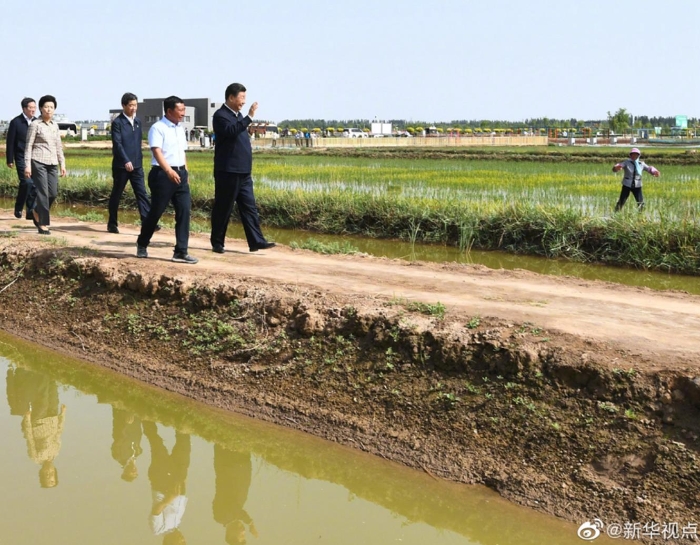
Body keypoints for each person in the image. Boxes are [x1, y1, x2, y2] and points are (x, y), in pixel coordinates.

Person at [210, 83, 275, 254]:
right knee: (224, 208)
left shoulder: (238, 116)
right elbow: (231, 131)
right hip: (228, 171)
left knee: (249, 207)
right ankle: (217, 242)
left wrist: (245, 118)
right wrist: (250, 117)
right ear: (231, 97)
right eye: (242, 98)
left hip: (244, 171)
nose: (244, 102)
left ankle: (256, 241)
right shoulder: (221, 116)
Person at [136, 96, 198, 264]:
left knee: (184, 212)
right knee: (156, 212)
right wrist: (169, 171)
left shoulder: (180, 129)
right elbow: (157, 152)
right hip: (162, 175)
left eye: (184, 110)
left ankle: (181, 251)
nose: (183, 114)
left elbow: (182, 152)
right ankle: (142, 243)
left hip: (180, 174)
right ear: (169, 111)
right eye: (180, 110)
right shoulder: (158, 128)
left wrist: (186, 172)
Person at [108, 92, 153, 234]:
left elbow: (138, 143)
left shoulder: (138, 122)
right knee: (117, 194)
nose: (133, 108)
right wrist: (126, 160)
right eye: (130, 105)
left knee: (142, 193)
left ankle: (147, 222)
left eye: (135, 105)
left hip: (137, 165)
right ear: (124, 106)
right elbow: (118, 144)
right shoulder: (118, 123)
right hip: (122, 166)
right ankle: (112, 223)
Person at [24, 95, 66, 235]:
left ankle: (35, 210)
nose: (49, 110)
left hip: (52, 162)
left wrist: (63, 164)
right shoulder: (36, 124)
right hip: (38, 161)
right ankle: (42, 223)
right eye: (46, 107)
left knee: (52, 192)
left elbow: (58, 146)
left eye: (51, 107)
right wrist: (27, 165)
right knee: (43, 192)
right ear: (41, 108)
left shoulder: (55, 125)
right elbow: (28, 146)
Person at [144, 421, 190, 544]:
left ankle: (145, 414)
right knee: (184, 445)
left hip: (162, 483)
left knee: (156, 443)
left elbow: (156, 511)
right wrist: (184, 482)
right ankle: (181, 414)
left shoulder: (158, 530)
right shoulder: (177, 524)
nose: (183, 540)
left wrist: (168, 499)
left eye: (181, 543)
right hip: (178, 483)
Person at [212, 443, 258, 544]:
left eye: (241, 535)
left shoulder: (220, 516)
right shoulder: (235, 515)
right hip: (241, 462)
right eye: (244, 535)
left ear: (230, 535)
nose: (243, 531)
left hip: (228, 461)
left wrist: (249, 522)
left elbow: (233, 508)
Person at [6, 97, 37, 219]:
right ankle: (19, 207)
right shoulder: (16, 122)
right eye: (30, 108)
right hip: (21, 157)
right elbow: (10, 142)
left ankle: (30, 211)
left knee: (34, 185)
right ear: (24, 108)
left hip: (34, 157)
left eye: (34, 108)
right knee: (27, 182)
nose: (33, 110)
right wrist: (9, 159)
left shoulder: (37, 122)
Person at [612, 147, 660, 211]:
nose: (634, 156)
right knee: (621, 201)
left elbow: (649, 168)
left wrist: (655, 172)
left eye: (636, 154)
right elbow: (619, 166)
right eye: (633, 154)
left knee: (640, 203)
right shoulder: (627, 162)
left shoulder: (641, 164)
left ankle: (641, 216)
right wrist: (616, 167)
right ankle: (616, 213)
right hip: (627, 185)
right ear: (630, 155)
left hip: (637, 185)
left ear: (638, 155)